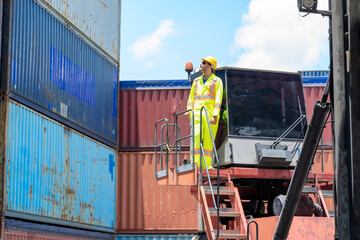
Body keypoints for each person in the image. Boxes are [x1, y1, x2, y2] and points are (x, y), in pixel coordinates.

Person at [186, 56, 223, 169]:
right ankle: (195, 164)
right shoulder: (196, 81)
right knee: (196, 137)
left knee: (208, 141)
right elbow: (191, 98)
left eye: (204, 62)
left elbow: (218, 99)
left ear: (210, 66)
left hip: (210, 115)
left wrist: (215, 115)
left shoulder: (217, 81)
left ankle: (207, 166)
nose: (201, 64)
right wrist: (189, 110)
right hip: (196, 114)